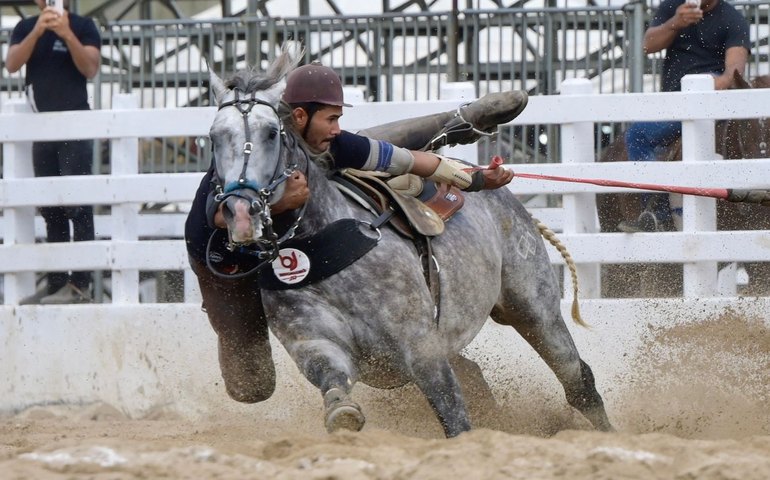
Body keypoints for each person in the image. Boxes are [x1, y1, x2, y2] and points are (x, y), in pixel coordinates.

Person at [184, 63, 526, 404]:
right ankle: (458, 121)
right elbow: (228, 218)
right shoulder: (234, 161)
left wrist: (474, 179)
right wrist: (283, 202)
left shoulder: (319, 142)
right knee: (251, 387)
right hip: (228, 261)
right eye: (331, 119)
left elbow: (400, 158)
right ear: (300, 117)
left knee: (361, 149)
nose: (336, 129)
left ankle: (458, 121)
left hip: (285, 241)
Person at [619, 0, 751, 232]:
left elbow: (734, 72)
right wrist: (675, 23)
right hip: (674, 105)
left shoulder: (732, 18)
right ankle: (657, 212)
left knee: (638, 135)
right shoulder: (673, 7)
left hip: (709, 104)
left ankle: (656, 213)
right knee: (638, 135)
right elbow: (647, 45)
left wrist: (707, 87)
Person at [7, 0, 101, 304]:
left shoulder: (84, 26)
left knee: (78, 205)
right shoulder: (25, 27)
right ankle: (56, 284)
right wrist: (38, 31)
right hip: (41, 129)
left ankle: (81, 286)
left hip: (74, 127)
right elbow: (11, 64)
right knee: (50, 208)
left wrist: (66, 34)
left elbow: (90, 68)